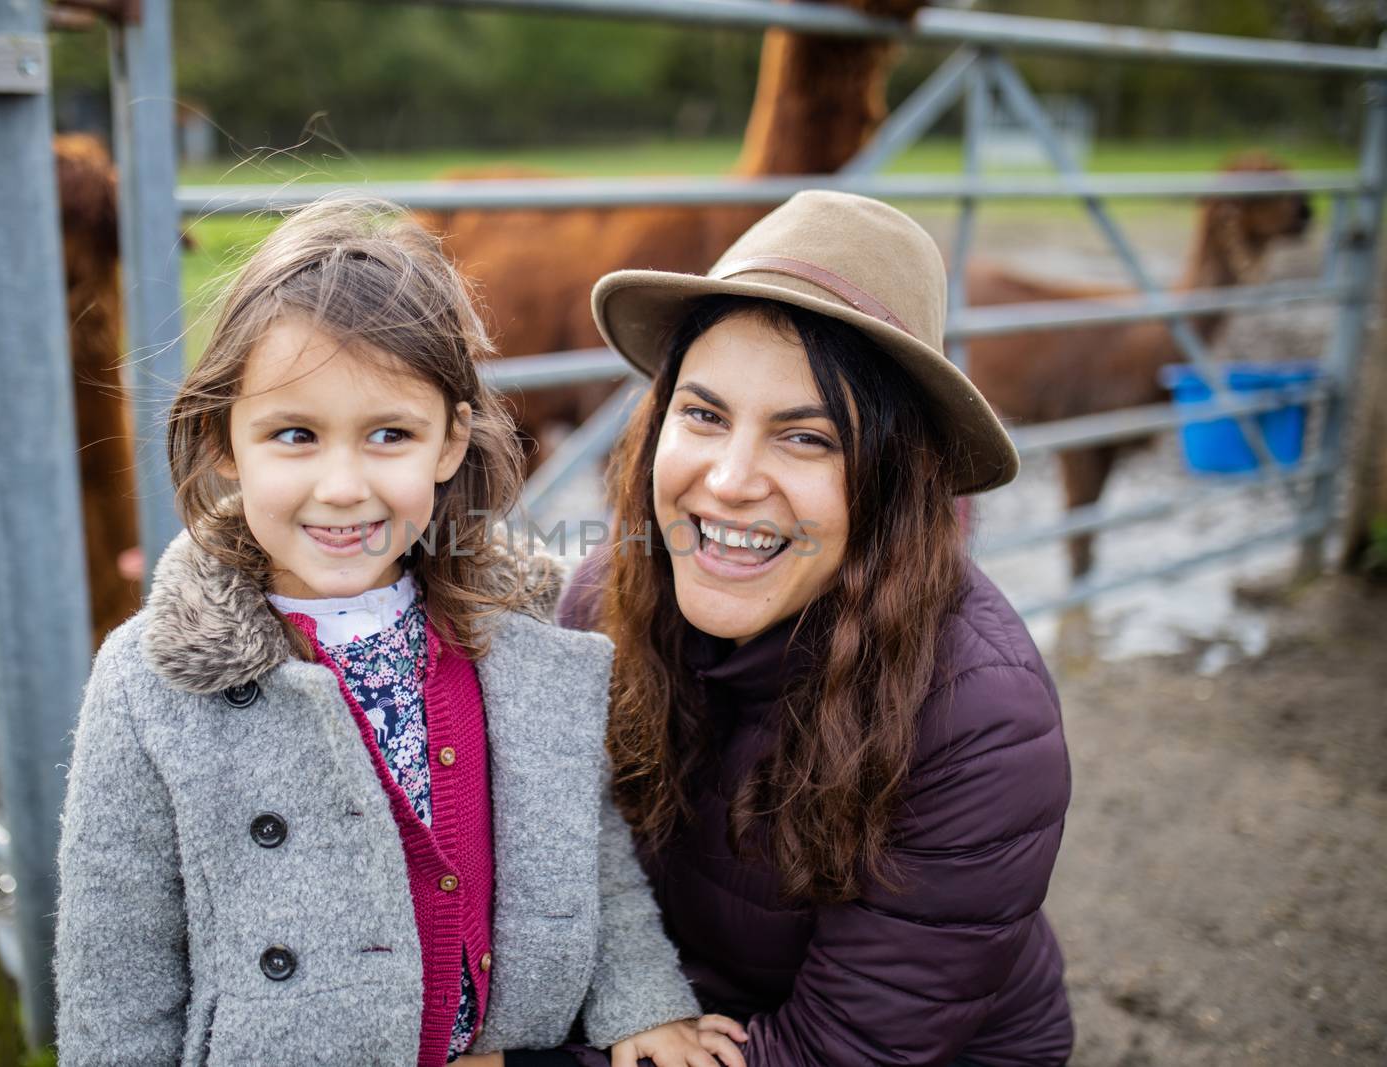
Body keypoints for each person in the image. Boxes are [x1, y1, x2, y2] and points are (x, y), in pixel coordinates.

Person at [54, 197, 745, 1067]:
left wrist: (642, 997)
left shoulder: (516, 637)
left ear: (450, 443)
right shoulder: (154, 681)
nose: (343, 486)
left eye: (390, 434)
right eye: (294, 434)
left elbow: (588, 856)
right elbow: (114, 973)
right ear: (225, 439)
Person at [559, 190, 1075, 1066]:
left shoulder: (980, 722)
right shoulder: (600, 607)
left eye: (807, 438)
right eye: (704, 413)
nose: (728, 479)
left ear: (895, 479)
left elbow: (842, 1050)